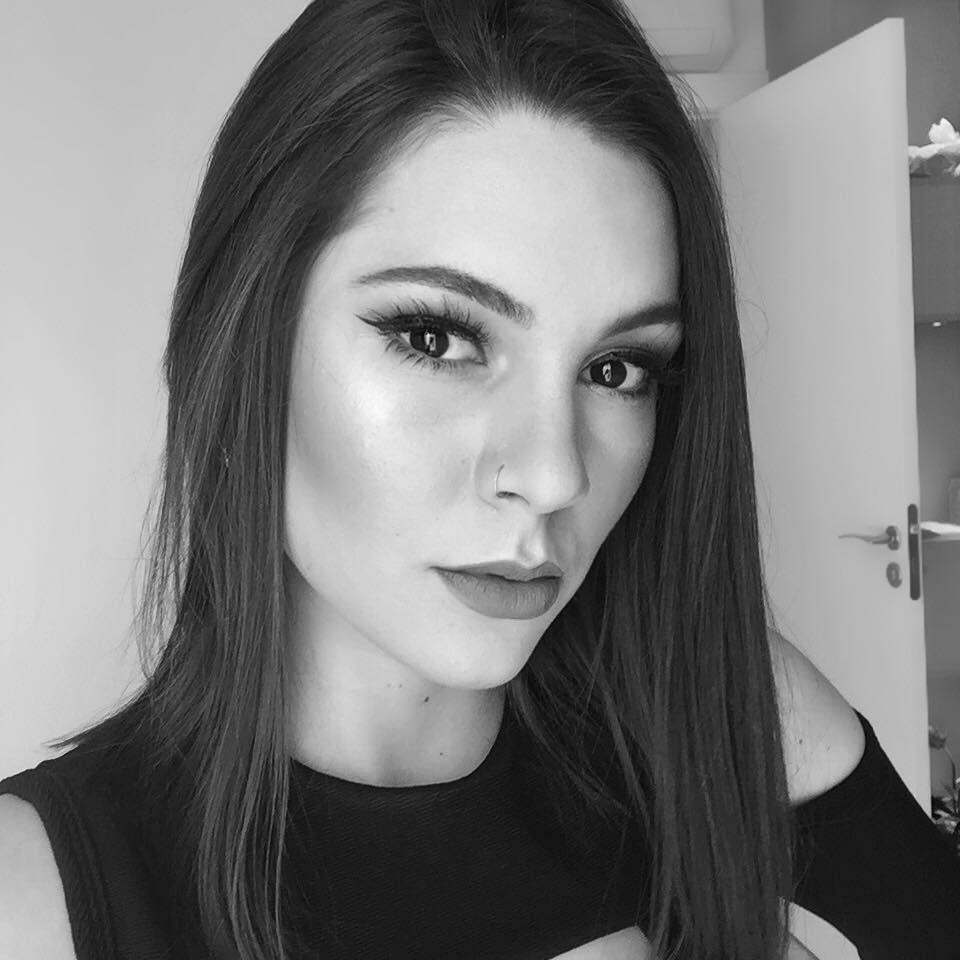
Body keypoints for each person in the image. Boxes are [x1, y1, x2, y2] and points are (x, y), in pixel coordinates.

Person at [2, 1, 960, 958]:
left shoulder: (721, 704)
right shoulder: (35, 901)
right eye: (436, 338)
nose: (553, 474)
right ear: (239, 340)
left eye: (616, 368)